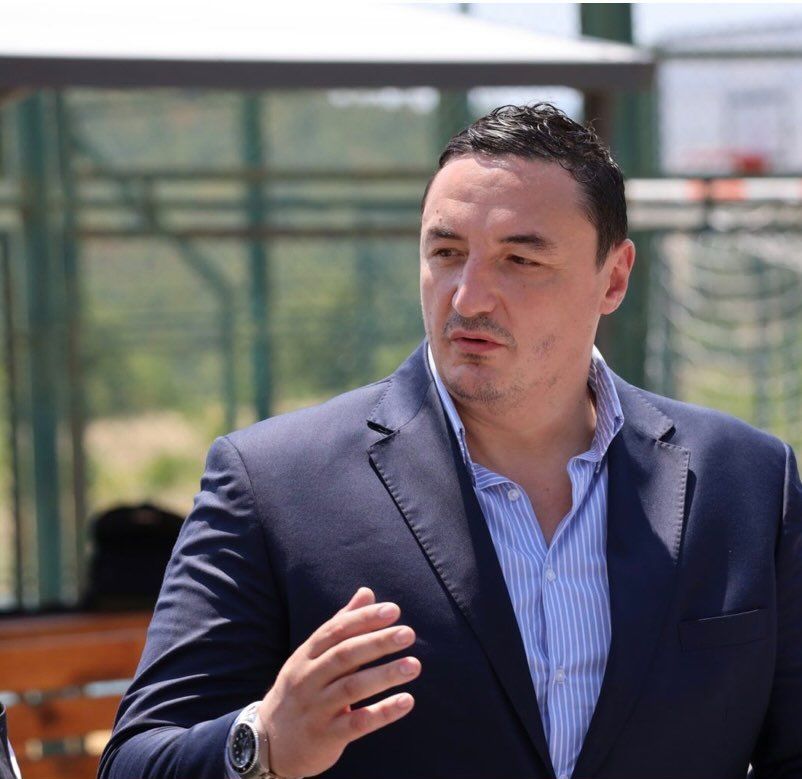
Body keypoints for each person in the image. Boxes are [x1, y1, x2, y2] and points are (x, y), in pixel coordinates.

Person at [98, 104, 802, 779]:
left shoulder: (748, 482)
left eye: (519, 260)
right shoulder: (274, 484)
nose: (467, 297)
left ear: (613, 277)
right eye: (447, 252)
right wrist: (263, 743)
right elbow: (135, 761)